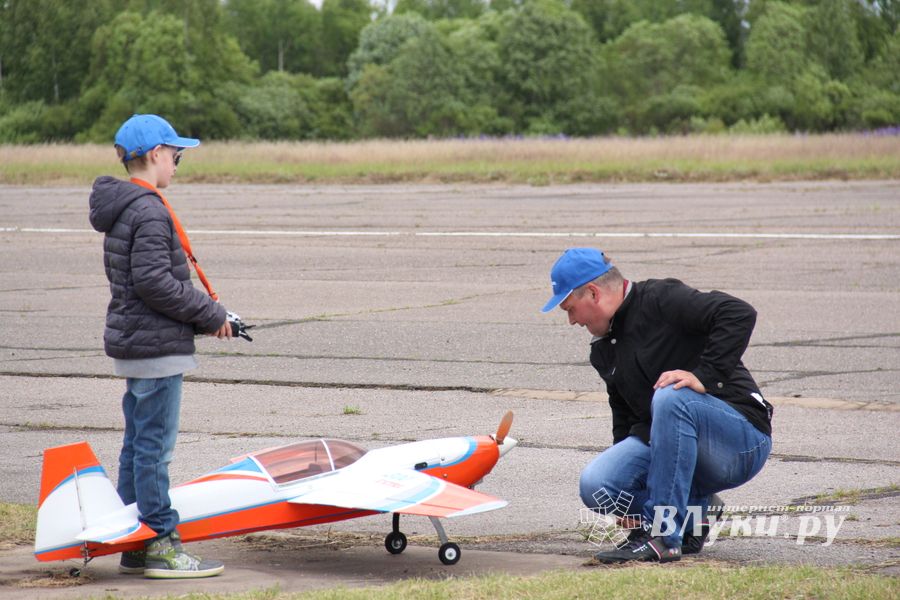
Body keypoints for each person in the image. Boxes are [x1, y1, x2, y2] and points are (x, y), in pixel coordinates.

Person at [541, 248, 773, 563]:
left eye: (570, 309)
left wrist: (705, 376)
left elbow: (739, 313)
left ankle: (664, 536)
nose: (571, 321)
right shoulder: (603, 348)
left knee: (670, 395)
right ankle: (694, 512)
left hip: (740, 441)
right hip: (678, 446)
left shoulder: (662, 299)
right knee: (598, 485)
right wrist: (625, 498)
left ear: (593, 293)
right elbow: (625, 419)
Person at [89, 114, 231, 579]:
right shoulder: (148, 208)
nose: (177, 164)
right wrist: (212, 316)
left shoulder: (127, 206)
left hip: (138, 342)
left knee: (137, 446)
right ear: (154, 155)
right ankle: (162, 544)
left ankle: (135, 540)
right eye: (175, 155)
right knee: (154, 449)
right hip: (154, 347)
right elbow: (155, 282)